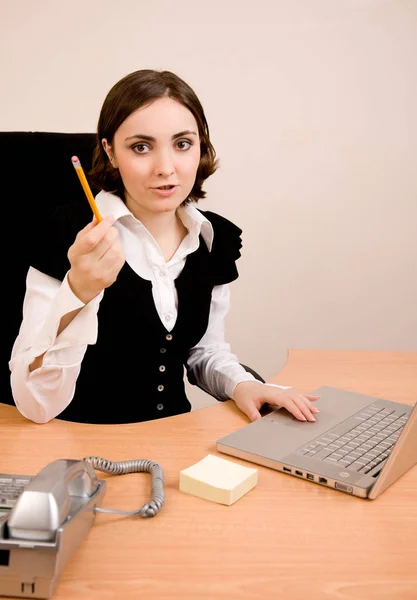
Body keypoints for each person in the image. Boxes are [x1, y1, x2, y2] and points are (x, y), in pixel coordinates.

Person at [9, 69, 320, 425]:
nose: (166, 168)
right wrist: (79, 291)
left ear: (200, 145)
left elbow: (204, 350)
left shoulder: (213, 238)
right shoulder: (62, 233)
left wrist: (241, 385)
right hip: (77, 445)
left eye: (182, 144)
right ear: (110, 151)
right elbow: (36, 405)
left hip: (171, 442)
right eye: (141, 147)